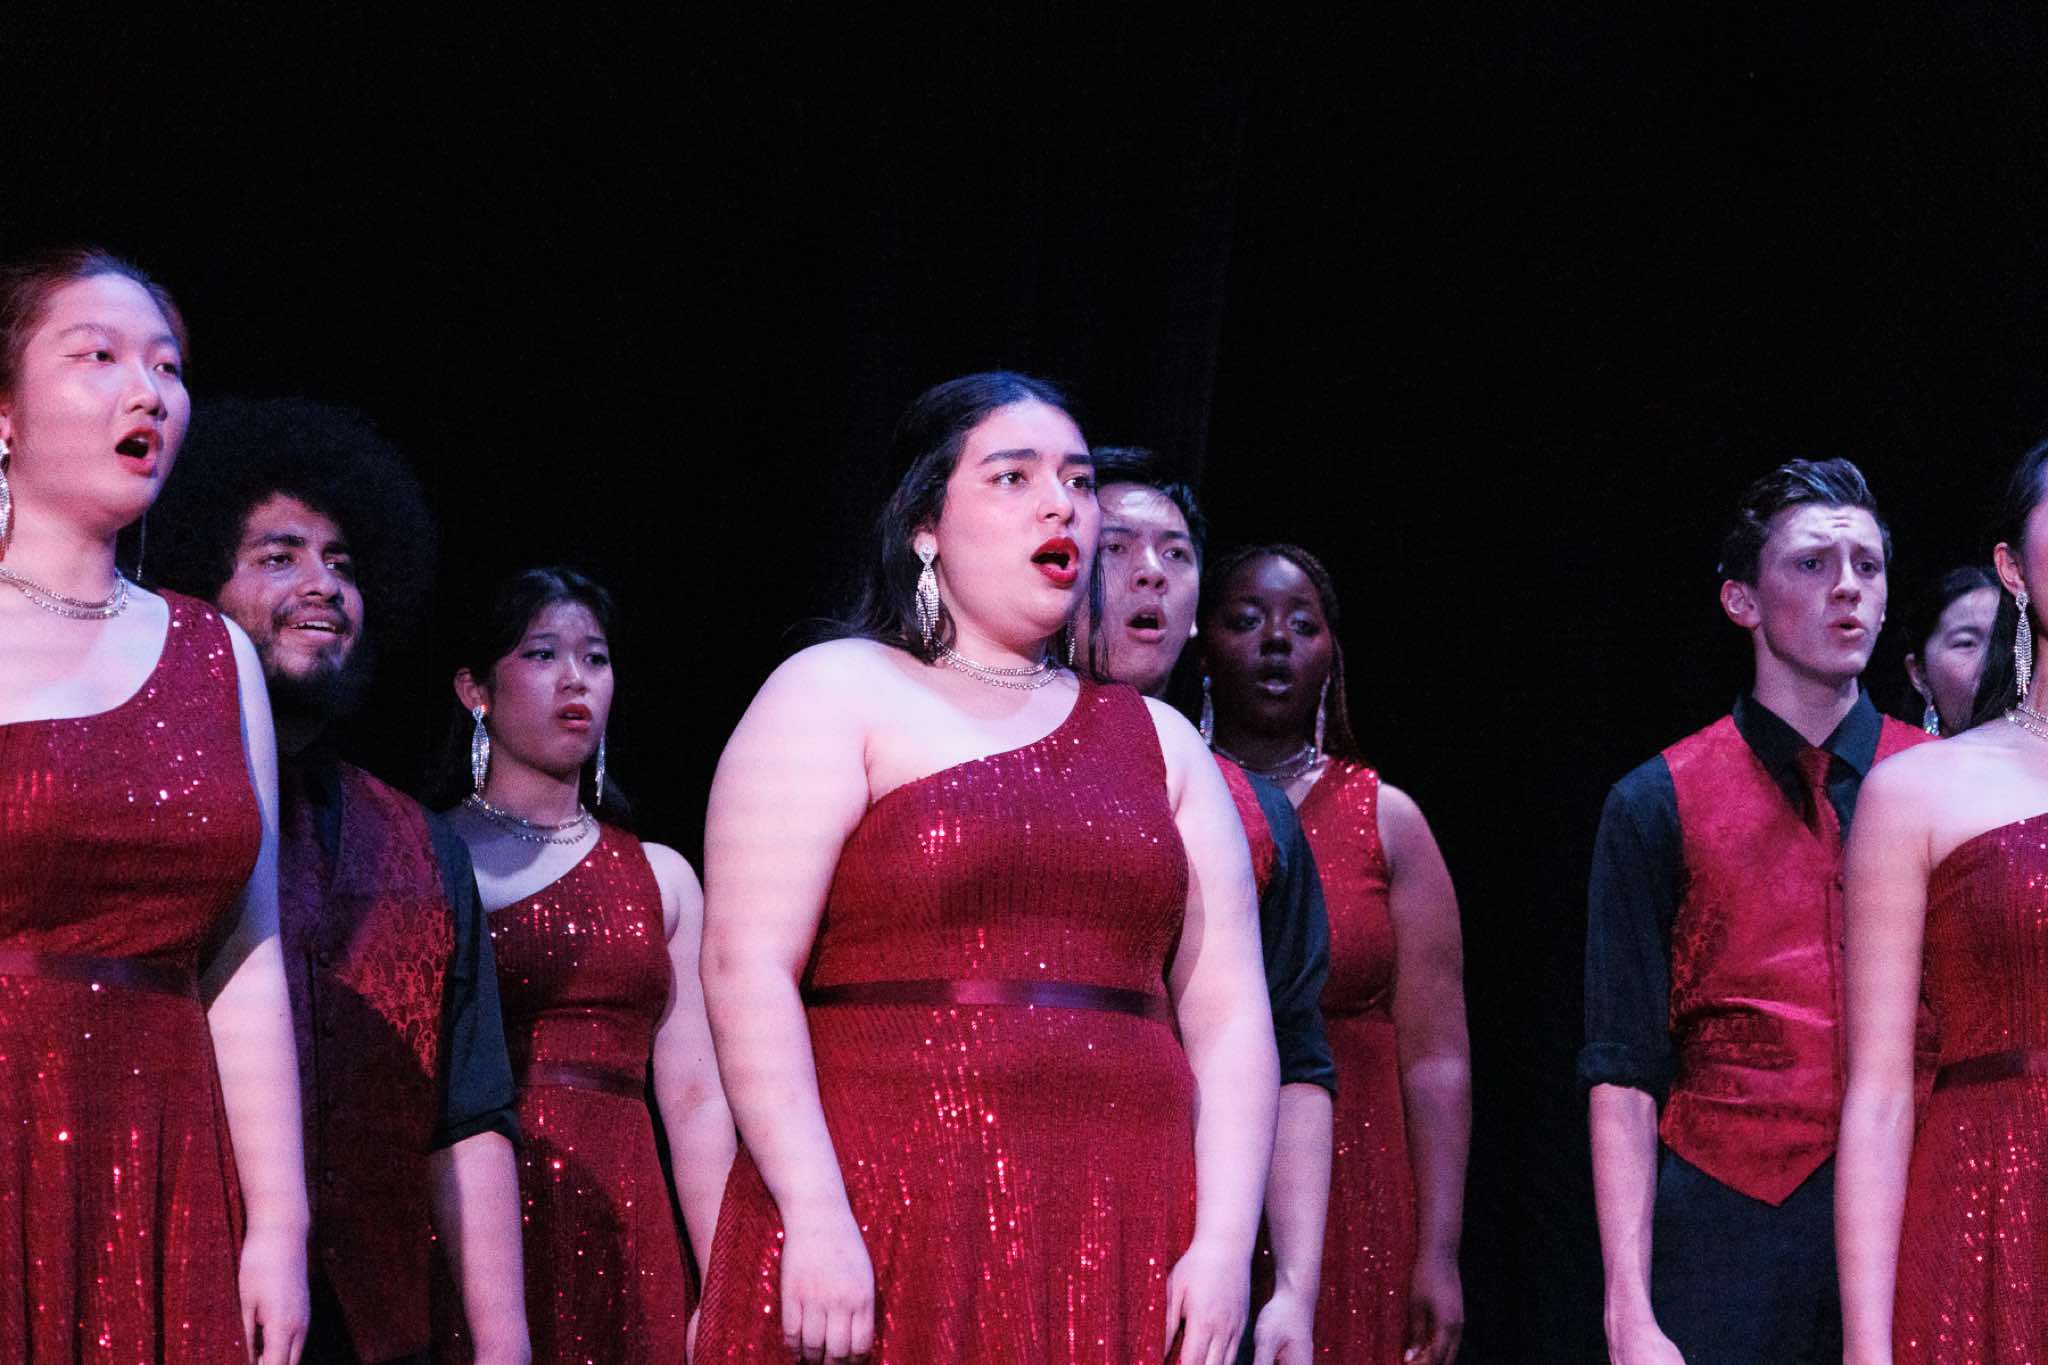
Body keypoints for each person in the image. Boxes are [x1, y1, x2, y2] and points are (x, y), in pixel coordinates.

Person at [694, 372, 1278, 1365]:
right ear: (925, 525)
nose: (1061, 505)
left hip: (1124, 1214)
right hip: (889, 1203)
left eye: (1077, 481)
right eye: (1013, 477)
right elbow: (744, 969)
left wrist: (1223, 1246)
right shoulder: (835, 691)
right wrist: (814, 1210)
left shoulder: (1162, 742)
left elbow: (1229, 1018)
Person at [148, 397, 530, 1365]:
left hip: (376, 1329)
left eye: (344, 565)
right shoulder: (152, 817)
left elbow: (468, 1114)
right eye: (280, 557)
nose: (324, 584)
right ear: (203, 585)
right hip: (178, 1301)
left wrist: (503, 1346)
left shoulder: (423, 845)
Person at [0, 248, 309, 1361]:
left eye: (167, 367)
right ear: (4, 415)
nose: (149, 392)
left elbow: (248, 954)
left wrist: (278, 1222)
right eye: (99, 356)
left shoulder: (215, 652)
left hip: (164, 1148)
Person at [1581, 458, 1931, 1364]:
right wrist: (1628, 1307)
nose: (1848, 587)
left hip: (1922, 1206)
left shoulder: (1939, 784)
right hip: (1727, 1227)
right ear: (1741, 600)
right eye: (1813, 563)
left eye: (1867, 565)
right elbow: (1622, 1067)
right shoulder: (1656, 799)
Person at [1073, 446, 1337, 1365]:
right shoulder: (960, 763)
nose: (1151, 570)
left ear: (1192, 619)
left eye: (1176, 554)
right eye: (1118, 547)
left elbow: (1296, 1057)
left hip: (1179, 1230)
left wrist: (1293, 1287)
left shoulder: (1252, 816)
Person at [440, 566, 729, 1364]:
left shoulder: (662, 877)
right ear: (475, 689)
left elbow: (697, 1098)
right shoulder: (425, 854)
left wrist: (724, 1284)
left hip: (628, 1219)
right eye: (542, 653)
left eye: (595, 658)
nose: (576, 679)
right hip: (478, 1213)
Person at [1200, 542, 1470, 1365]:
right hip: (1199, 1167)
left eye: (1302, 624)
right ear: (1201, 645)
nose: (1276, 640)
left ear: (1333, 657)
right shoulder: (1169, 798)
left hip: (1355, 1182)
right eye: (1246, 619)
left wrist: (1439, 1250)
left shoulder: (1387, 819)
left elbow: (1437, 1060)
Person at [1838, 443, 2048, 1361]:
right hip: (1988, 1212)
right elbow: (1881, 1094)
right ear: (2013, 568)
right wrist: (1866, 1346)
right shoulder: (1917, 791)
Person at [1898, 565, 1998, 736]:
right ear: (1919, 673)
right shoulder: (1895, 753)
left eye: (2005, 640)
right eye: (1966, 643)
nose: (1993, 661)